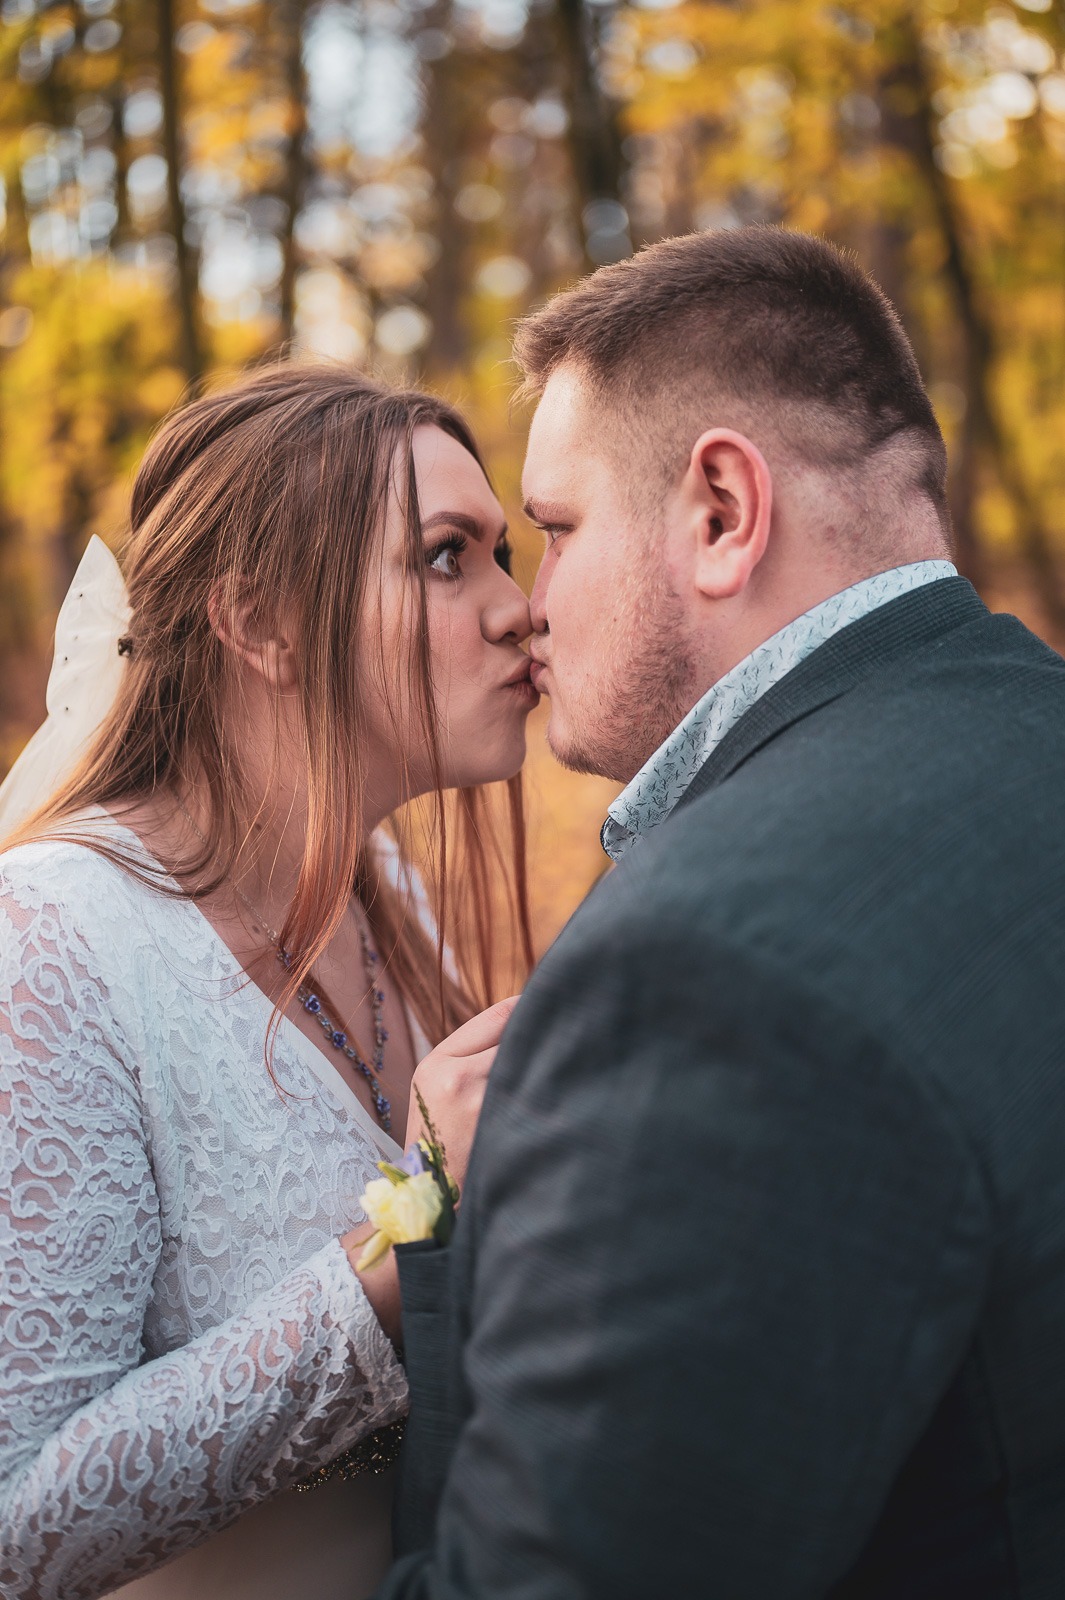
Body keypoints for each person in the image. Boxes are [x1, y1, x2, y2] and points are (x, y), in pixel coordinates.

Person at [372, 227, 1065, 1598]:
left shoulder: (701, 971)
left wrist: (451, 1244)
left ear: (720, 512)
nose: (533, 607)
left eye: (557, 531)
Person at [0, 366, 537, 1600]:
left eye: (505, 552)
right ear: (260, 624)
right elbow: (23, 1521)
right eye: (449, 559)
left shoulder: (386, 887)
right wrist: (408, 1254)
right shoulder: (54, 944)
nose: (522, 611)